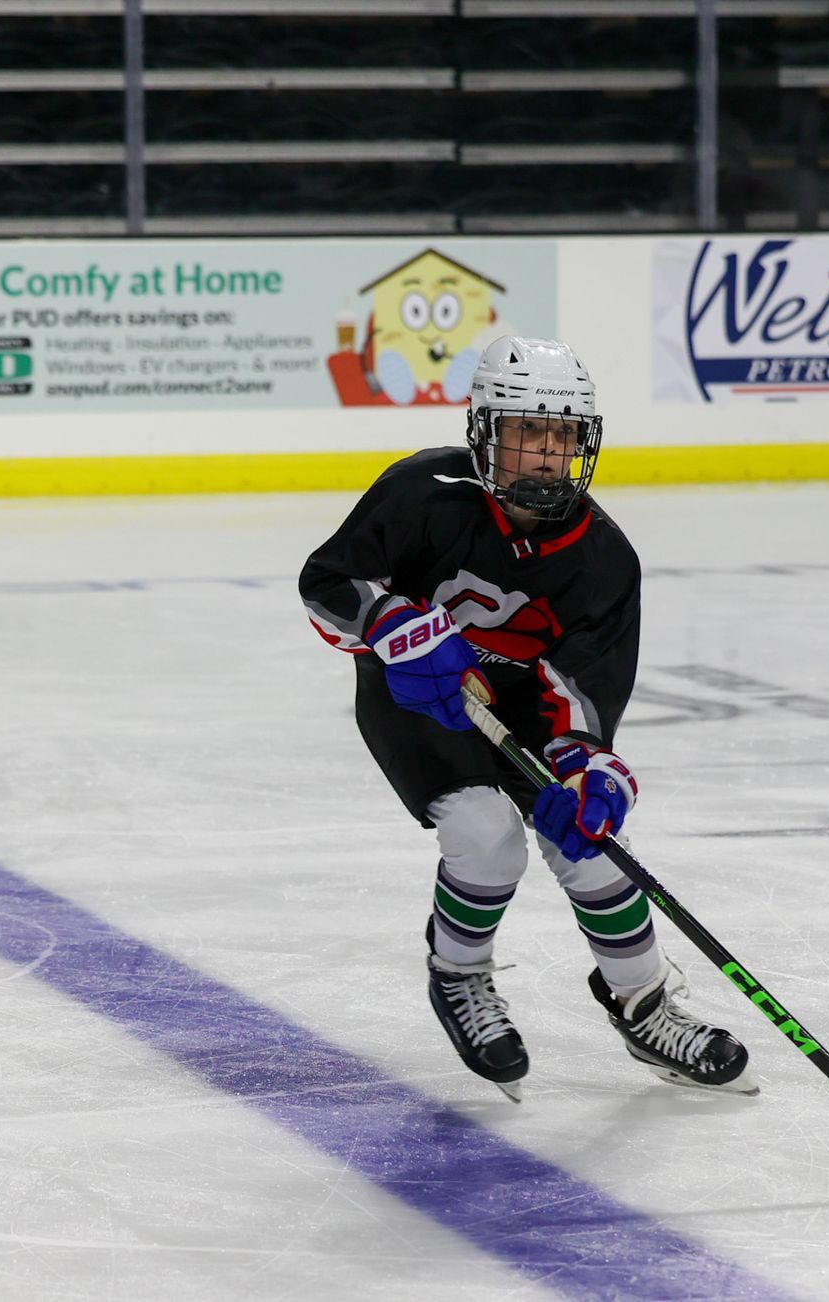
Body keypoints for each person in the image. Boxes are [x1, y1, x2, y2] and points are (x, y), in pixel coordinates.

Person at [299, 335, 754, 1101]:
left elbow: (584, 696)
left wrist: (587, 769)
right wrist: (387, 622)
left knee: (596, 846)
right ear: (485, 430)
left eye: (562, 435)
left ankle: (643, 1004)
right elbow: (327, 581)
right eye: (526, 433)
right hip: (417, 696)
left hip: (525, 707)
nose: (546, 453)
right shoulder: (422, 492)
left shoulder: (605, 559)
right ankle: (460, 974)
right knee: (486, 836)